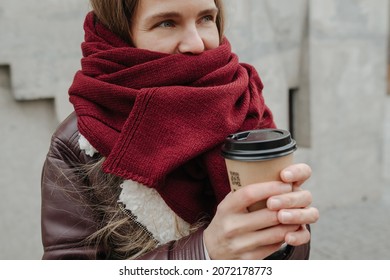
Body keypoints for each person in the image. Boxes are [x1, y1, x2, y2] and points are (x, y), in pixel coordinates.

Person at [41, 0, 319, 260]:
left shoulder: (241, 102)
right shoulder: (78, 142)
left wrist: (281, 232)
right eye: (167, 23)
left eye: (206, 18)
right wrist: (205, 253)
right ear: (119, 33)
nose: (197, 44)